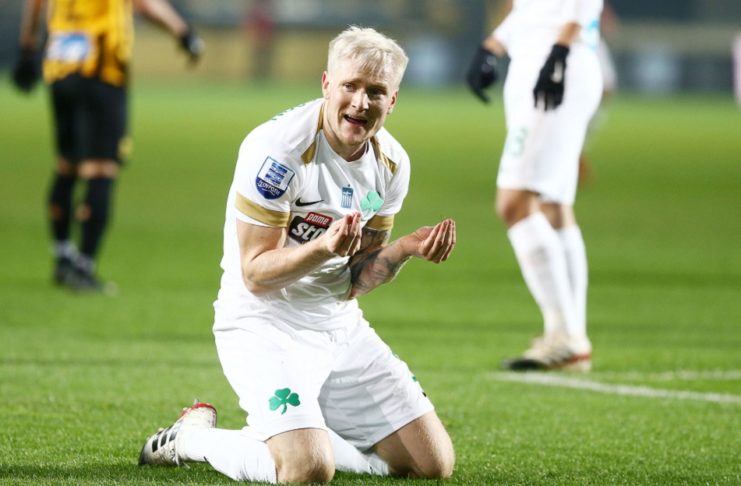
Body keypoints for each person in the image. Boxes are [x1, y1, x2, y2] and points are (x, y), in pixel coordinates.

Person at [138, 26, 457, 483]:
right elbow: (255, 274)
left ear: (393, 100)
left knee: (432, 464)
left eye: (376, 92)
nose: (360, 103)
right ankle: (192, 439)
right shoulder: (279, 151)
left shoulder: (391, 164)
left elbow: (356, 281)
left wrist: (405, 250)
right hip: (263, 325)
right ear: (327, 84)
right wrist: (323, 247)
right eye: (350, 86)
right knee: (307, 470)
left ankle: (304, 432)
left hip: (338, 327)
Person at [12, 0, 204, 292]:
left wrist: (27, 48)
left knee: (67, 165)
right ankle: (83, 266)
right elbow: (145, 4)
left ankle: (63, 257)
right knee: (100, 170)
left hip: (60, 65)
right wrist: (183, 32)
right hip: (100, 68)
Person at [466, 0, 603, 371]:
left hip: (556, 63)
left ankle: (565, 335)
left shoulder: (560, 50)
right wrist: (492, 46)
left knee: (514, 203)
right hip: (545, 61)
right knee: (552, 204)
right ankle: (570, 337)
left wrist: (560, 50)